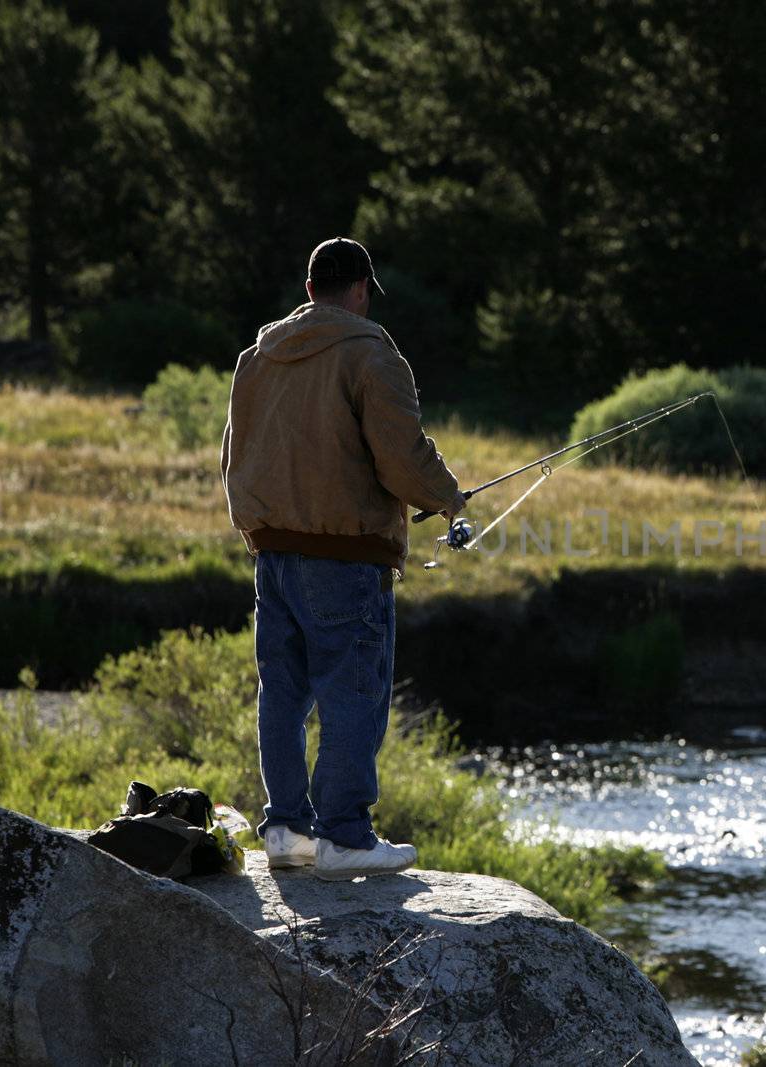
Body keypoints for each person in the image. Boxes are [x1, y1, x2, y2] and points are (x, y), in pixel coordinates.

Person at [220, 237, 465, 880]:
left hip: (271, 553)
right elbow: (402, 455)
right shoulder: (370, 353)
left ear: (309, 291)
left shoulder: (257, 358)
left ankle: (286, 831)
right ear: (360, 289)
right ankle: (346, 837)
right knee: (354, 694)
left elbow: (233, 456)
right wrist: (448, 498)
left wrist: (258, 529)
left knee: (283, 692)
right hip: (347, 558)